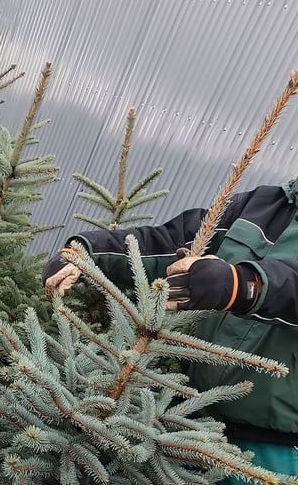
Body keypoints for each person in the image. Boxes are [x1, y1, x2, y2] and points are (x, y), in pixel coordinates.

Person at [43, 179, 298, 481]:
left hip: (275, 450)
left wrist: (244, 286)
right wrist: (87, 252)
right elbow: (172, 241)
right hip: (186, 423)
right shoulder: (263, 204)